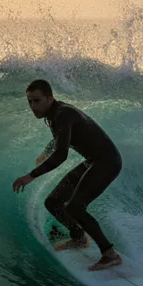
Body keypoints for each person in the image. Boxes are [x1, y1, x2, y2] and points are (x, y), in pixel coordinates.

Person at [11, 79, 124, 271]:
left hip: (107, 162)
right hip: (93, 161)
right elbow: (61, 137)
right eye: (29, 101)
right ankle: (79, 237)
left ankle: (110, 254)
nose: (32, 106)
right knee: (53, 202)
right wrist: (46, 152)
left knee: (75, 207)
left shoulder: (63, 114)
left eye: (36, 100)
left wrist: (31, 175)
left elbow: (61, 155)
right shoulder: (54, 114)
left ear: (49, 98)